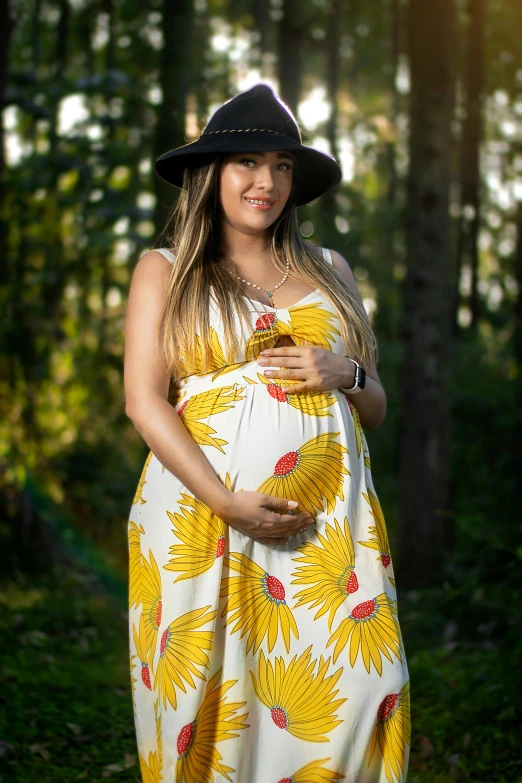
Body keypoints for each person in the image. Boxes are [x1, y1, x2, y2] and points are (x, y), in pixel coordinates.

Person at [124, 83, 410, 783]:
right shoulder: (167, 270)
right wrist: (225, 501)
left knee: (359, 687)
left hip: (329, 532)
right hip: (202, 521)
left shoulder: (330, 269)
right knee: (214, 702)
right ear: (211, 173)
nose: (267, 181)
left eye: (283, 165)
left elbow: (374, 406)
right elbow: (143, 402)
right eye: (247, 162)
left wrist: (345, 370)